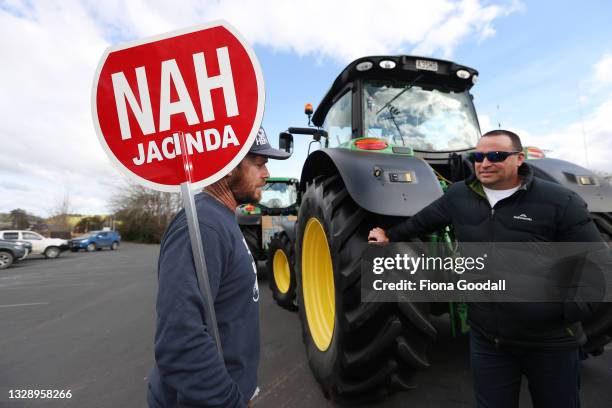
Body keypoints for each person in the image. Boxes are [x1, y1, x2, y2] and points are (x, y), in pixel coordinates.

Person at [368, 129, 602, 408]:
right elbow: (421, 222)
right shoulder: (459, 195)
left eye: (496, 156)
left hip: (549, 343)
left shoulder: (560, 201)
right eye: (477, 156)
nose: (484, 162)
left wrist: (556, 314)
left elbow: (597, 267)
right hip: (488, 341)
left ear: (519, 158)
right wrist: (389, 236)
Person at [148, 127, 290, 408]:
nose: (267, 174)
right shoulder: (202, 226)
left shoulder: (221, 218)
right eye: (259, 164)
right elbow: (179, 341)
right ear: (227, 168)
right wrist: (230, 401)